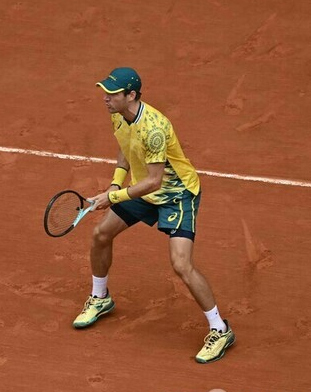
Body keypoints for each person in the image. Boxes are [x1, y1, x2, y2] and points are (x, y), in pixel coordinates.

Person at [73, 67, 235, 364]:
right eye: (105, 92)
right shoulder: (117, 115)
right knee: (101, 234)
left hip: (177, 195)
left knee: (181, 264)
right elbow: (125, 148)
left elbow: (155, 182)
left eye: (112, 94)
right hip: (143, 190)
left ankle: (220, 329)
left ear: (131, 95)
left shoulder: (155, 129)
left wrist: (113, 197)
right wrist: (114, 183)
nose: (106, 98)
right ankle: (100, 297)